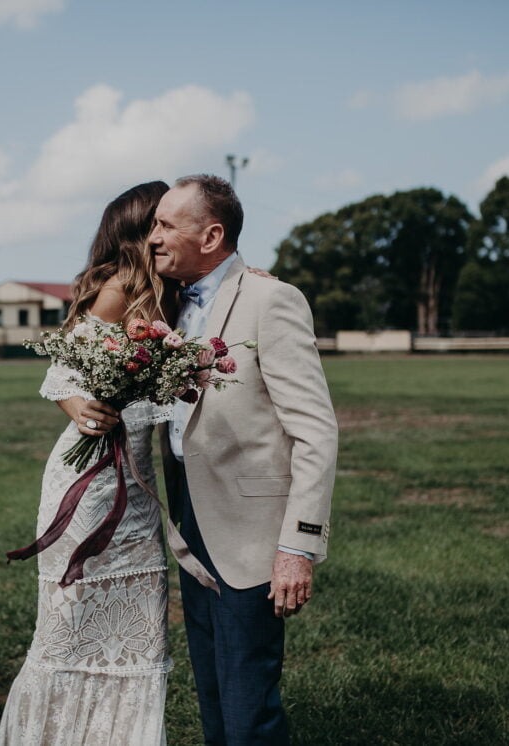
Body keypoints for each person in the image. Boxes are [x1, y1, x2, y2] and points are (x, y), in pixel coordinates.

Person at [149, 174, 338, 745]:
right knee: (211, 688)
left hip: (252, 529)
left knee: (246, 700)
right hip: (189, 510)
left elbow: (315, 431)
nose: (153, 237)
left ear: (211, 236)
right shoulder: (169, 303)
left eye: (165, 226)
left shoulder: (270, 299)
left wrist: (297, 547)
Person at [0, 181, 175, 745]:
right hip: (94, 480)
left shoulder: (170, 290)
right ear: (142, 229)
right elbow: (64, 370)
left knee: (137, 635)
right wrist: (78, 405)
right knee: (71, 632)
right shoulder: (120, 289)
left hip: (137, 486)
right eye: (162, 221)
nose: (170, 232)